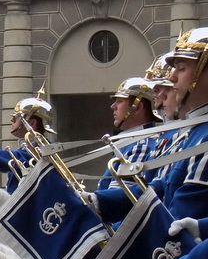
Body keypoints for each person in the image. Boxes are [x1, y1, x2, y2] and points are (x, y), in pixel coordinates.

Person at [89, 28, 208, 225]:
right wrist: (96, 202)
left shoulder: (202, 136)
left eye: (182, 67)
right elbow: (155, 190)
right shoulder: (191, 134)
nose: (172, 78)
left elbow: (176, 223)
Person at [96, 77, 160, 190]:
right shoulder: (133, 141)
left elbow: (118, 199)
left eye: (120, 101)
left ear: (138, 107)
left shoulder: (140, 145)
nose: (113, 106)